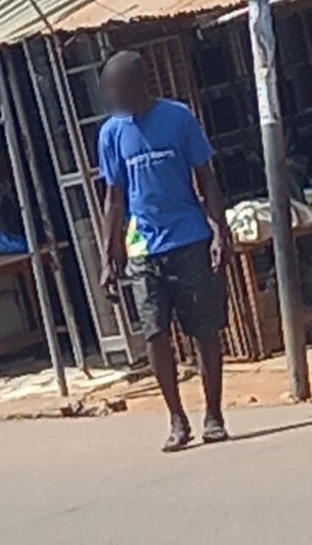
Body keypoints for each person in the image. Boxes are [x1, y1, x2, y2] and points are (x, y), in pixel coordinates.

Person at [98, 51, 232, 452]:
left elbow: (205, 176)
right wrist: (109, 257)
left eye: (117, 86)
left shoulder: (178, 118)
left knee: (204, 330)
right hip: (143, 249)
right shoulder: (111, 133)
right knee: (155, 333)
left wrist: (219, 230)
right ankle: (176, 418)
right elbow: (114, 198)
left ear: (141, 83)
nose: (112, 95)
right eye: (108, 88)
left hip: (188, 239)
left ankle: (213, 415)